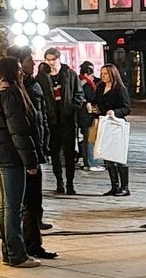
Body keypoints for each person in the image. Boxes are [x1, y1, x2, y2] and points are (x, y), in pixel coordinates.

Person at [0, 56, 40, 267]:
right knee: (13, 207)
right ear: (12, 72)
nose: (22, 72)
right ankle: (16, 254)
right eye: (19, 69)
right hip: (11, 156)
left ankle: (9, 252)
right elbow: (18, 131)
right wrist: (30, 161)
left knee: (6, 207)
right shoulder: (10, 94)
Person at [15, 49, 58, 260]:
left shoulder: (34, 84)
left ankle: (33, 243)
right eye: (29, 61)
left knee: (34, 201)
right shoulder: (12, 89)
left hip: (35, 147)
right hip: (24, 153)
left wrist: (44, 141)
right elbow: (21, 127)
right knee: (25, 203)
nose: (33, 64)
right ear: (18, 64)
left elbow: (42, 116)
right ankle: (24, 246)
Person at [42, 48, 82, 196]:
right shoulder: (43, 76)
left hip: (67, 120)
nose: (51, 62)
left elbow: (79, 94)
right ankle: (59, 181)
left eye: (53, 59)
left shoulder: (69, 74)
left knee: (69, 153)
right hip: (52, 121)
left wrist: (72, 108)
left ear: (59, 59)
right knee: (54, 153)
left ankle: (70, 183)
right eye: (48, 60)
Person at [96, 62, 132, 195]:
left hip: (116, 125)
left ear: (112, 74)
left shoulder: (120, 89)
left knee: (119, 156)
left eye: (105, 74)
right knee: (107, 155)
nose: (103, 76)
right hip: (104, 124)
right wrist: (94, 108)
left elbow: (127, 108)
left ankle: (125, 187)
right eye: (102, 73)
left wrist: (115, 112)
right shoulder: (100, 87)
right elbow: (96, 101)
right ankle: (114, 186)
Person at [77, 61, 101, 169]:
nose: (93, 78)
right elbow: (91, 98)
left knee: (87, 140)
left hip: (82, 115)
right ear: (86, 74)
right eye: (91, 76)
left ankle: (88, 163)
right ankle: (91, 163)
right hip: (87, 115)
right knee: (90, 140)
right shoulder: (86, 84)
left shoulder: (78, 81)